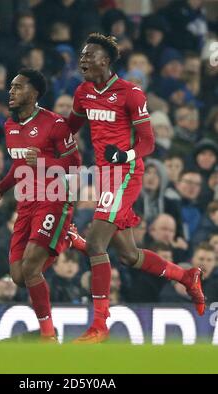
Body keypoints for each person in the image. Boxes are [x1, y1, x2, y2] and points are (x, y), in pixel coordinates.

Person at [67, 33, 205, 344]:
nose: (83, 61)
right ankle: (186, 276)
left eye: (89, 56)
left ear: (106, 61)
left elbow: (148, 142)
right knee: (128, 255)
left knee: (95, 243)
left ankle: (100, 325)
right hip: (104, 176)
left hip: (126, 173)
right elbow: (70, 128)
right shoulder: (83, 92)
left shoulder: (130, 93)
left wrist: (125, 154)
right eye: (82, 55)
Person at [0, 68, 80, 342]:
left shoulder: (55, 123)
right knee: (18, 276)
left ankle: (47, 335)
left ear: (34, 92)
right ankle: (70, 236)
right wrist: (2, 188)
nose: (11, 92)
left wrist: (43, 161)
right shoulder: (10, 126)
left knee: (30, 268)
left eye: (18, 87)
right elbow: (19, 164)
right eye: (11, 87)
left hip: (54, 198)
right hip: (26, 203)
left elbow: (75, 165)